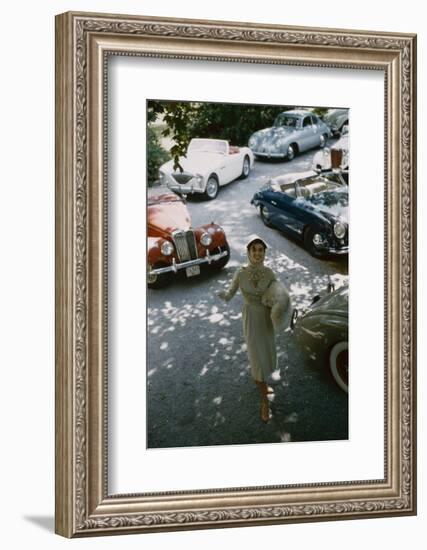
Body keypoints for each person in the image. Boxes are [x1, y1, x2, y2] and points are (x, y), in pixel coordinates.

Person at [217, 235, 278, 423]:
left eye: (261, 250)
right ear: (248, 252)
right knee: (256, 358)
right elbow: (230, 294)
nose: (258, 253)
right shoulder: (240, 273)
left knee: (266, 354)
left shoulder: (269, 273)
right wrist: (223, 295)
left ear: (264, 253)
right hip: (251, 318)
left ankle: (263, 383)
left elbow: (278, 297)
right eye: (254, 250)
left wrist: (276, 304)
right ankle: (264, 401)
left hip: (266, 319)